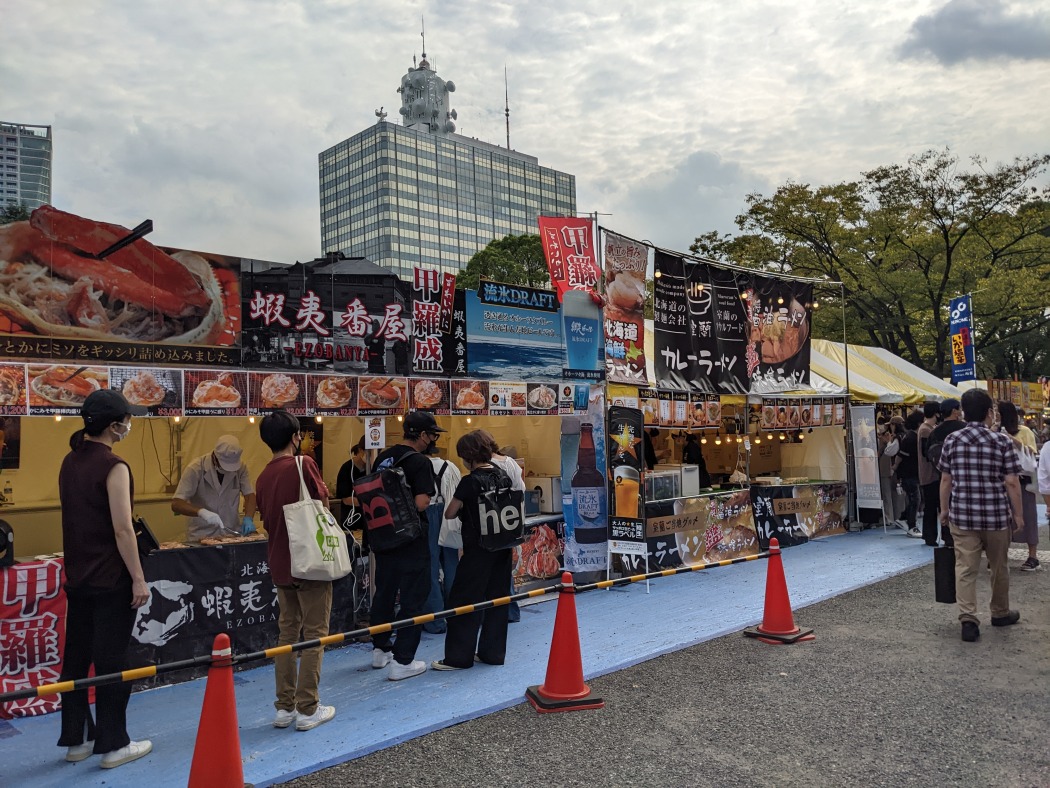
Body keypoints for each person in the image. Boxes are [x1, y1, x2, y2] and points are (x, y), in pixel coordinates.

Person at [57, 389, 152, 768]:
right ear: (115, 426)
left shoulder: (69, 461)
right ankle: (113, 744)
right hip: (111, 579)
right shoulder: (115, 466)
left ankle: (77, 738)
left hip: (78, 576)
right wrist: (139, 579)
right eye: (127, 419)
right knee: (112, 661)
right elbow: (123, 530)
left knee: (76, 659)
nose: (130, 424)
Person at [255, 410, 335, 731]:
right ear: (295, 437)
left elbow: (267, 521)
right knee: (315, 634)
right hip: (311, 561)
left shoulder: (262, 476)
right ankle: (307, 707)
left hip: (280, 562)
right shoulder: (303, 464)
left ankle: (284, 707)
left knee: (287, 635)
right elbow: (323, 505)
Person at [938, 389, 1023, 643]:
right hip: (996, 515)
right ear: (989, 413)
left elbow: (945, 479)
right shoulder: (1002, 441)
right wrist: (1018, 514)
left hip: (962, 515)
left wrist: (944, 510)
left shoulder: (952, 440)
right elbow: (1011, 482)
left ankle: (968, 619)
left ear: (963, 412)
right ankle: (999, 612)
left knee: (965, 568)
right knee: (999, 567)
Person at [432, 432, 515, 670]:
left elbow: (450, 512)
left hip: (477, 549)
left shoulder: (471, 481)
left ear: (468, 456)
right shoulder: (503, 476)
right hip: (502, 547)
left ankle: (459, 657)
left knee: (464, 601)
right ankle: (493, 653)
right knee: (498, 600)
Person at [370, 411, 442, 680]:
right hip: (411, 539)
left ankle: (380, 650)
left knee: (384, 593)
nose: (433, 439)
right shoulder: (420, 462)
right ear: (422, 435)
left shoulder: (383, 457)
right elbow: (422, 502)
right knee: (413, 596)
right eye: (432, 434)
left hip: (384, 536)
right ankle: (403, 660)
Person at [475, 431, 525, 622]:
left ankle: (491, 612)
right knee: (505, 569)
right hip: (510, 521)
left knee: (489, 569)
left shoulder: (483, 467)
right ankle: (510, 611)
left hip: (490, 521)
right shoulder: (510, 462)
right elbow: (520, 490)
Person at [171, 435, 256, 541]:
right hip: (201, 534)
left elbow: (250, 495)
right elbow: (176, 503)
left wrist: (248, 518)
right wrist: (201, 512)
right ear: (215, 457)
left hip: (230, 533)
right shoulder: (196, 468)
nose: (228, 470)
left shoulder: (241, 468)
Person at [422, 440, 462, 633]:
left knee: (430, 566)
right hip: (448, 513)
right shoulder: (450, 466)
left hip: (428, 513)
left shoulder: (420, 466)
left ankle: (435, 621)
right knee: (451, 563)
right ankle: (454, 614)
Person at [999, 402, 1040, 571]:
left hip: (1022, 481)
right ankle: (1001, 555)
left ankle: (1033, 556)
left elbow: (1032, 453)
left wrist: (1012, 440)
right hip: (1001, 482)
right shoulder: (994, 432)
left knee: (1028, 517)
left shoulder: (1025, 431)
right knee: (1003, 521)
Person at [927, 398, 965, 546]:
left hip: (940, 476)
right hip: (962, 478)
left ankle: (947, 537)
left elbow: (927, 454)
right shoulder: (963, 428)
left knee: (944, 508)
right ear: (955, 411)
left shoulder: (935, 431)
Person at [894, 411, 924, 538]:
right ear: (919, 423)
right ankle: (911, 525)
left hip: (911, 472)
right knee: (915, 498)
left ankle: (903, 517)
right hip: (908, 473)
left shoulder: (912, 436)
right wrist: (895, 466)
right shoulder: (911, 438)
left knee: (915, 498)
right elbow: (900, 455)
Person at [917, 402, 942, 546]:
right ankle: (930, 535)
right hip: (930, 474)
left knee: (931, 506)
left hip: (928, 473)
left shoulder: (927, 428)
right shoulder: (926, 430)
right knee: (931, 506)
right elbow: (927, 453)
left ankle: (929, 535)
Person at [335, 437, 368, 528]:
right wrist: (367, 503)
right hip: (351, 521)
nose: (372, 456)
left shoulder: (372, 468)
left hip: (368, 522)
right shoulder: (346, 468)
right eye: (369, 453)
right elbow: (345, 499)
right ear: (361, 450)